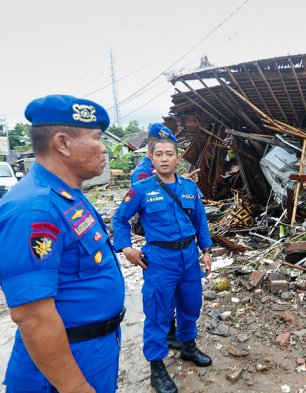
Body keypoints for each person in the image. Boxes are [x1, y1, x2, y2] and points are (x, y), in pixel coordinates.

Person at [0, 94, 125, 392]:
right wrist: (76, 387)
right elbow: (32, 317)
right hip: (62, 368)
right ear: (63, 143)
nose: (105, 147)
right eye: (97, 138)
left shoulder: (67, 194)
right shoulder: (34, 207)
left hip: (92, 349)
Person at [112, 137, 212, 393]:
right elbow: (120, 219)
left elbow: (200, 221)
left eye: (170, 154)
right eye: (160, 154)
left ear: (177, 159)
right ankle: (157, 366)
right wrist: (126, 248)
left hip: (189, 258)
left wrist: (207, 250)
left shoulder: (189, 188)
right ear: (152, 158)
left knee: (191, 305)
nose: (165, 158)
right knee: (157, 314)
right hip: (159, 261)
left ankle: (188, 347)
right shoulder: (141, 189)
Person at [130, 123, 184, 350]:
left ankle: (171, 330)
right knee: (159, 291)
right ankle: (164, 335)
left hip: (172, 238)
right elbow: (146, 195)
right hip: (155, 238)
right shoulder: (142, 172)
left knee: (174, 288)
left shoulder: (163, 170)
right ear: (151, 146)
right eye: (158, 148)